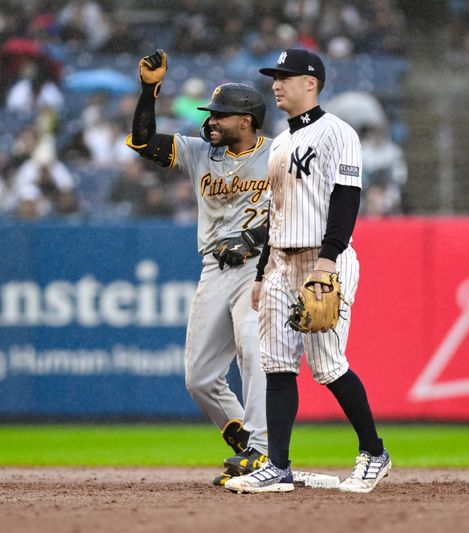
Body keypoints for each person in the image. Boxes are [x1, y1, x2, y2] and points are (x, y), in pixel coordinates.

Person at [225, 49, 390, 494]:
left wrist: (327, 261)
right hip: (280, 262)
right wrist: (261, 272)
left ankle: (374, 453)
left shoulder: (339, 133)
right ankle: (277, 466)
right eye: (275, 77)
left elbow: (346, 201)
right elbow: (275, 212)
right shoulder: (280, 140)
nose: (276, 84)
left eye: (285, 76)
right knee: (276, 364)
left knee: (327, 365)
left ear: (311, 82)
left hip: (324, 260)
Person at [126, 49, 270, 485]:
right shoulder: (198, 153)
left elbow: (300, 212)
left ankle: (263, 451)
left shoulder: (278, 156)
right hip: (214, 267)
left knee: (252, 344)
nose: (211, 121)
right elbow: (142, 141)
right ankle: (247, 445)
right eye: (211, 114)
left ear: (245, 120)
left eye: (221, 115)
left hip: (257, 267)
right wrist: (149, 91)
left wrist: (254, 239)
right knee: (200, 377)